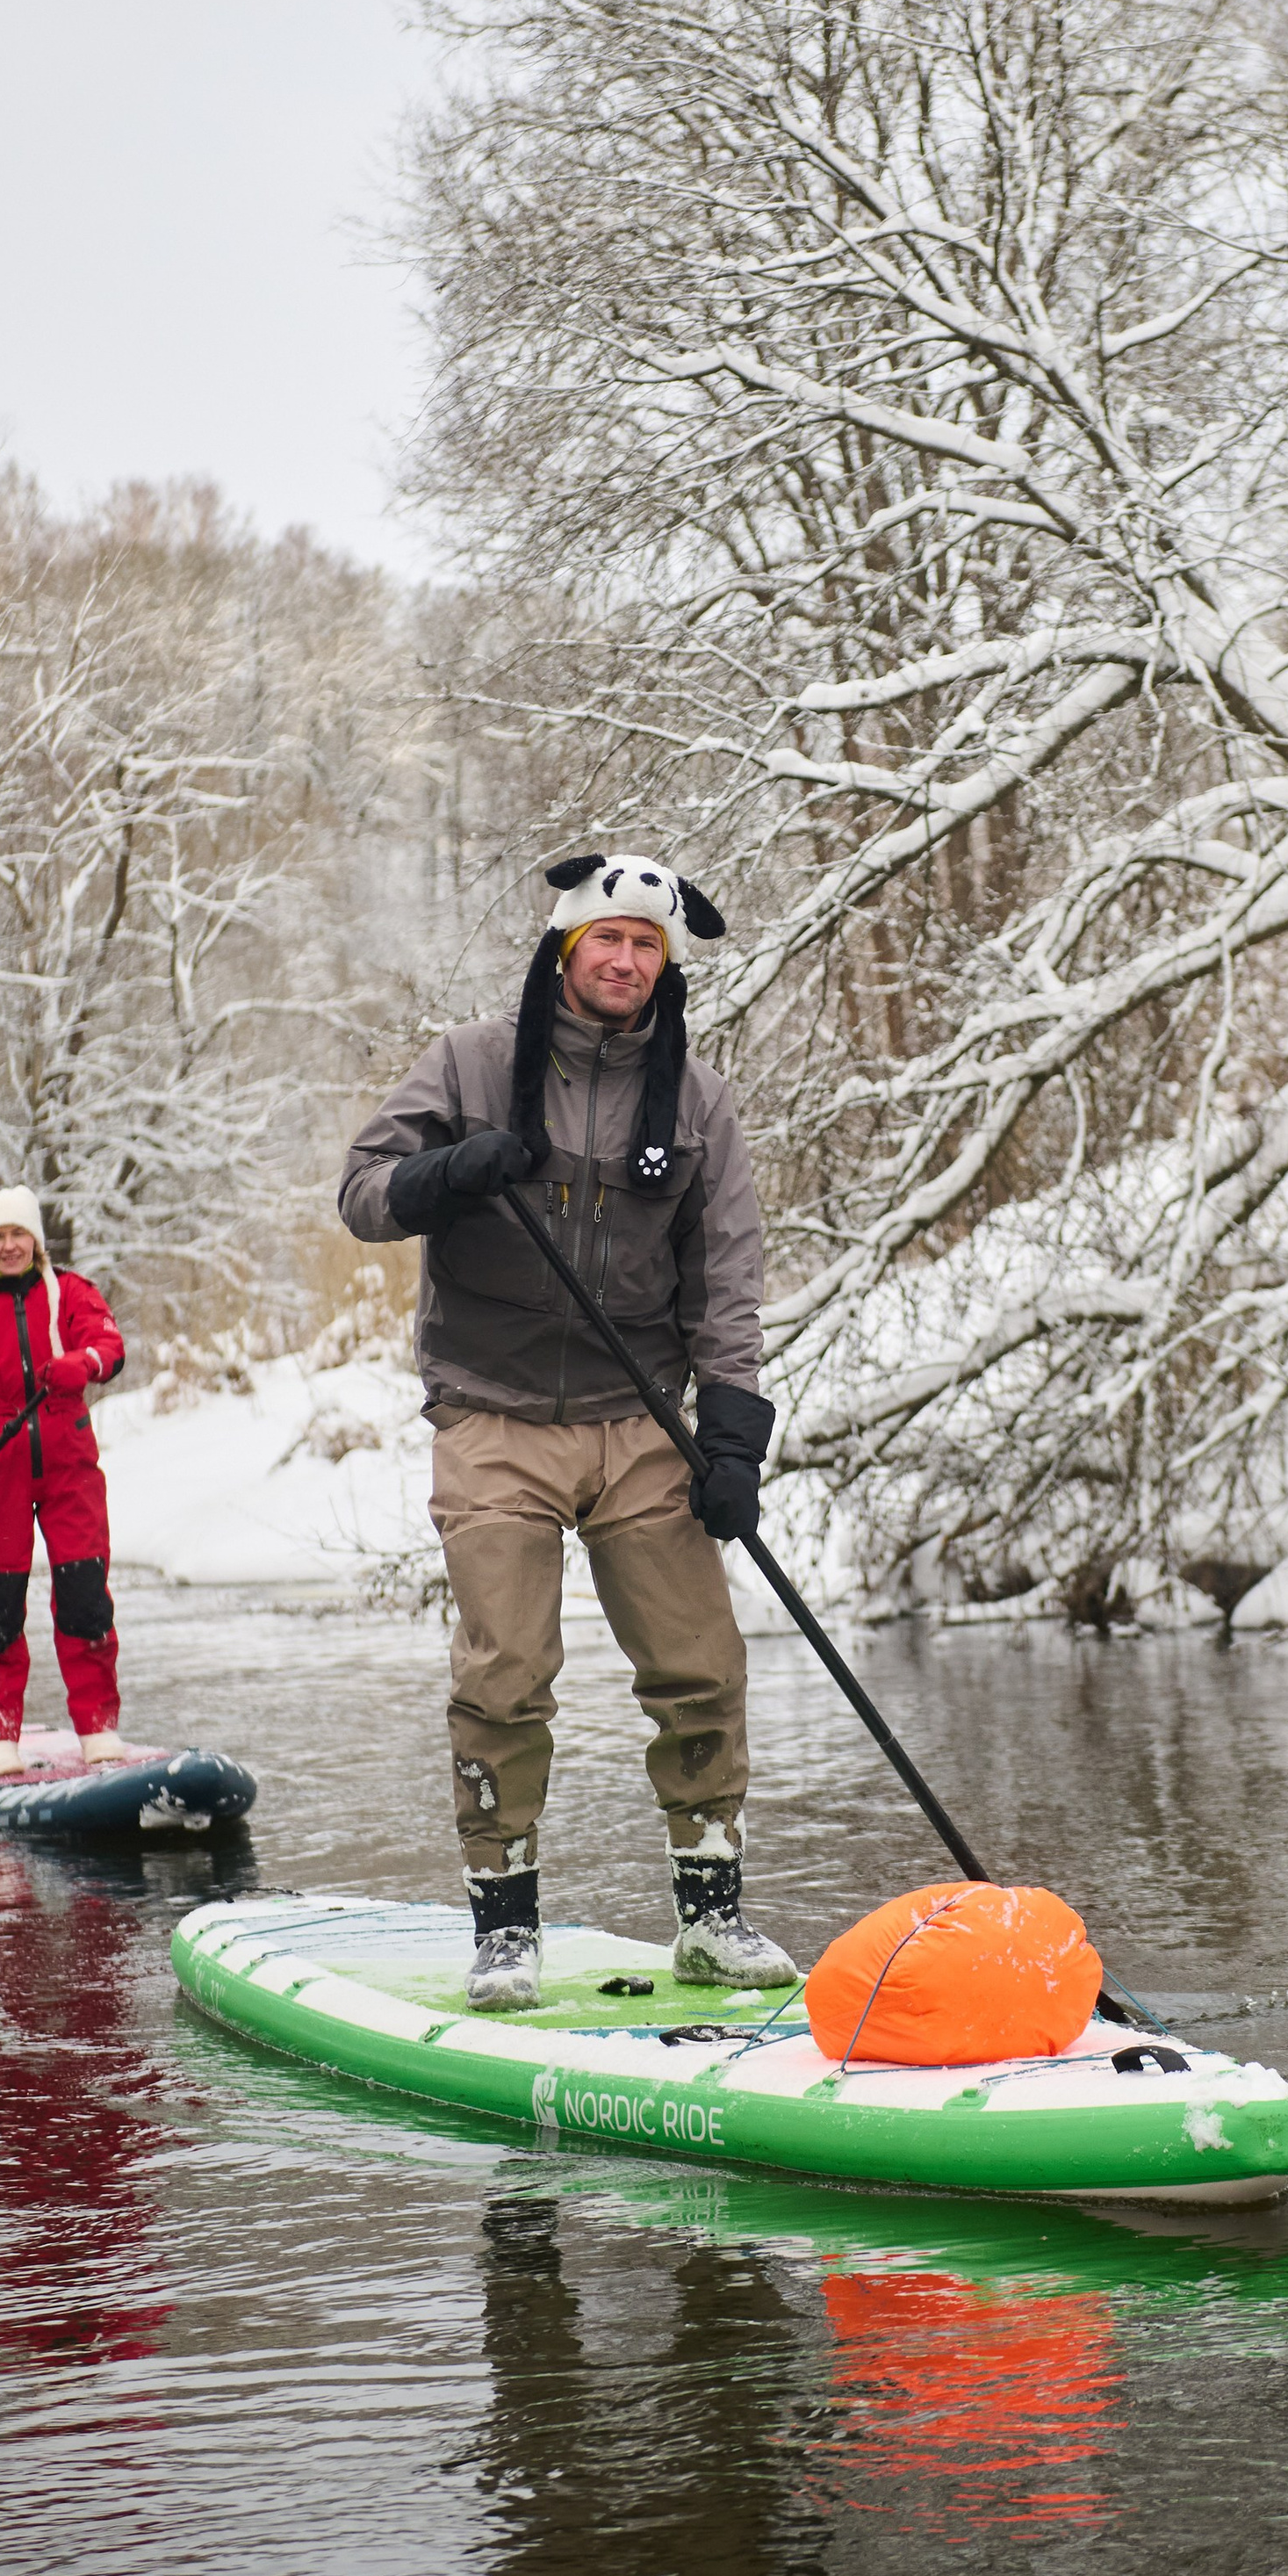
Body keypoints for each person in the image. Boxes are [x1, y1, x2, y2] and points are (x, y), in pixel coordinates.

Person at [339, 851, 797, 2011]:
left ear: (666, 962)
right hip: (491, 1411)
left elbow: (727, 1274)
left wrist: (731, 1438)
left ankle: (711, 1916)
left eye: (648, 945)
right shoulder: (473, 1059)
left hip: (639, 1414)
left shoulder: (696, 1096)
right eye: (609, 939)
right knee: (504, 1672)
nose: (627, 960)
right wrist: (447, 1169)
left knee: (701, 1666)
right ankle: (504, 1926)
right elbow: (362, 1193)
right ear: (566, 946)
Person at [0, 1187, 126, 1772]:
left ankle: (97, 1729)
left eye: (18, 1233)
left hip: (71, 1471)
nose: (9, 1245)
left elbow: (110, 1347)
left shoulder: (70, 1292)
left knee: (86, 1600)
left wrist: (81, 1365)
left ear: (35, 1239)